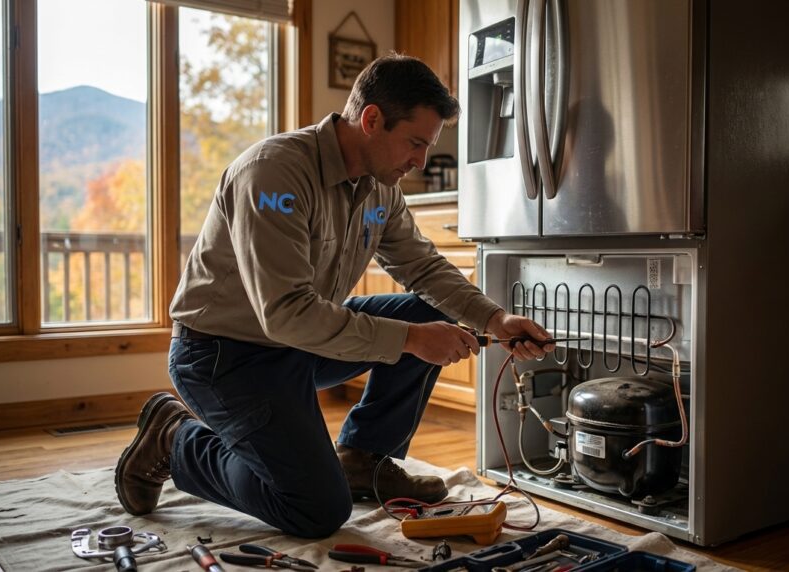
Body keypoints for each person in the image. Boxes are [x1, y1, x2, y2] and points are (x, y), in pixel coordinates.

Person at [113, 53, 555, 538]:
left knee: (430, 310)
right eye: (414, 143)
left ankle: (364, 457)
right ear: (371, 120)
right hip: (223, 355)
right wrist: (409, 339)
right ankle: (173, 439)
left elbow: (423, 266)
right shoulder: (273, 174)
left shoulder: (380, 187)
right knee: (317, 509)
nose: (420, 162)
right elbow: (285, 315)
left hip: (299, 344)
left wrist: (495, 320)